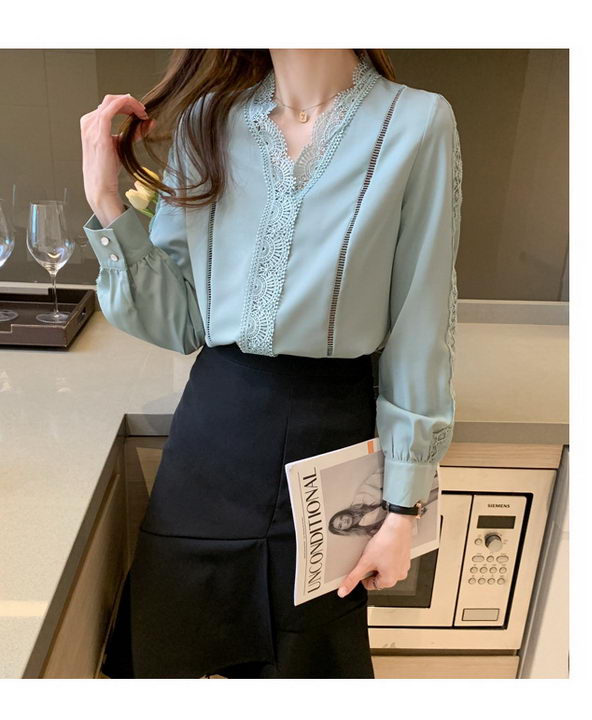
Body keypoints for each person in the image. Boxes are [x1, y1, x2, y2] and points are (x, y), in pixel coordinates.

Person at [80, 48, 462, 679]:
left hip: (330, 435)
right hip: (212, 436)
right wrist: (106, 201)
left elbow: (420, 323)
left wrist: (403, 508)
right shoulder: (208, 120)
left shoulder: (418, 123)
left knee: (306, 664)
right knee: (171, 648)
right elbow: (180, 323)